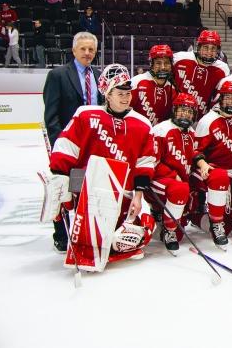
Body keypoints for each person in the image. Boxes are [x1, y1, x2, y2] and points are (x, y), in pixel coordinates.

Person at [42, 64, 156, 265]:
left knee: (126, 238)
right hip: (87, 188)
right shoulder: (85, 115)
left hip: (122, 192)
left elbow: (145, 163)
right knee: (62, 191)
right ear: (107, 94)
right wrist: (60, 176)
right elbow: (66, 147)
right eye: (120, 93)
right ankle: (64, 224)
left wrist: (138, 197)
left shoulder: (142, 124)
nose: (125, 98)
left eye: (128, 93)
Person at [192, 80, 232, 249]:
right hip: (213, 170)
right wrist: (203, 164)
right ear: (220, 99)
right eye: (227, 98)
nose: (231, 102)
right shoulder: (207, 121)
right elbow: (195, 151)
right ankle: (206, 220)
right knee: (225, 227)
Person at [149, 93, 199, 253]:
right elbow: (152, 162)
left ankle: (163, 217)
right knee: (180, 189)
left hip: (179, 185)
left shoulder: (191, 132)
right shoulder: (161, 130)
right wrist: (173, 175)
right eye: (182, 110)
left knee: (180, 233)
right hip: (157, 180)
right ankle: (166, 227)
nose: (186, 114)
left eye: (190, 111)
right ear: (174, 110)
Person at [171, 30, 229, 119]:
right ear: (198, 47)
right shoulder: (179, 58)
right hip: (175, 115)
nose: (209, 52)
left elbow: (219, 97)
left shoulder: (223, 69)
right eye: (206, 47)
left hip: (201, 119)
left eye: (213, 48)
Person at [130, 45, 177, 126]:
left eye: (166, 63)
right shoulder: (136, 82)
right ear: (151, 64)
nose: (163, 67)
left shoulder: (172, 89)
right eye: (158, 63)